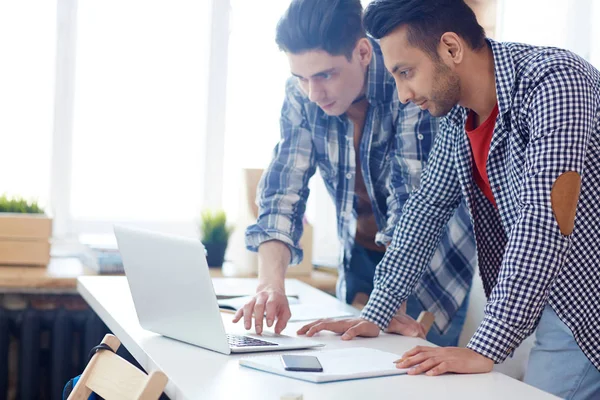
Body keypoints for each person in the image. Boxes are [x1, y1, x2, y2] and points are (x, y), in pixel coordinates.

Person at [298, 0, 600, 398]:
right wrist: (377, 312)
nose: (403, 95)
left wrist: (484, 347)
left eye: (407, 73)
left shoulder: (556, 82)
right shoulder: (459, 115)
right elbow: (426, 209)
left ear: (452, 49)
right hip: (541, 292)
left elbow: (544, 219)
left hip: (586, 298)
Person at [234, 0, 476, 347]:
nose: (314, 94)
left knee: (412, 379)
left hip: (431, 266)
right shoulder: (302, 95)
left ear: (363, 52)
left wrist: (387, 301)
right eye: (301, 78)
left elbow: (412, 203)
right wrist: (270, 285)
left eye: (325, 75)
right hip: (358, 256)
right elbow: (283, 190)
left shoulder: (407, 82)